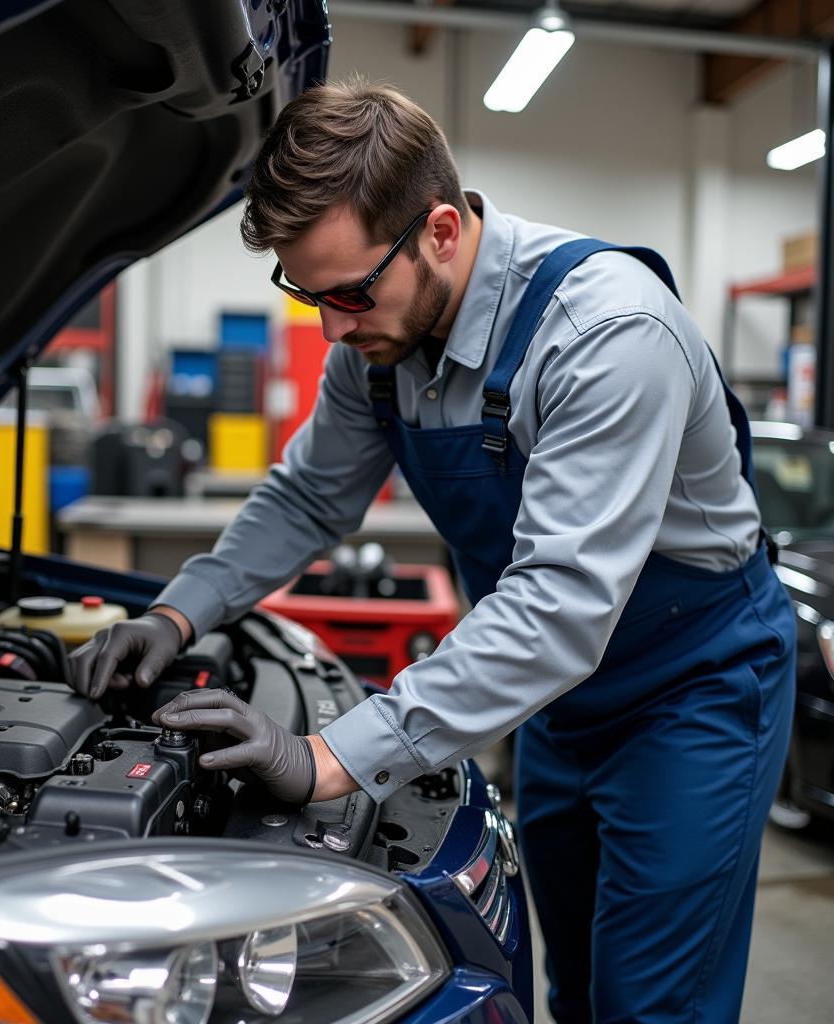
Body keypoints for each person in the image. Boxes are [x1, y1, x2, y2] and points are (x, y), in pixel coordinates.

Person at [68, 80, 795, 1022]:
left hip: (695, 686)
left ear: (441, 232)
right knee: (569, 982)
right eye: (306, 293)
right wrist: (178, 611)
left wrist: (329, 755)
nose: (330, 326)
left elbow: (558, 604)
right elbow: (306, 496)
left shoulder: (607, 335)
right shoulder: (377, 343)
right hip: (560, 696)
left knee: (653, 1004)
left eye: (349, 292)